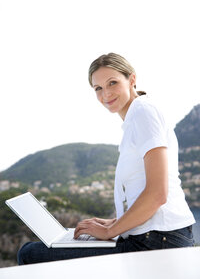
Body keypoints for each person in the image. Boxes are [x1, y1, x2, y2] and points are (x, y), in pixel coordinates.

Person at [18, 52, 195, 265]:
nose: (106, 94)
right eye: (98, 88)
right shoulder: (134, 120)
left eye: (112, 83)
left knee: (30, 254)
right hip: (155, 237)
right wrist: (116, 222)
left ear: (132, 79)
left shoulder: (143, 111)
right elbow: (143, 191)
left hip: (157, 241)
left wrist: (111, 230)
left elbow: (158, 194)